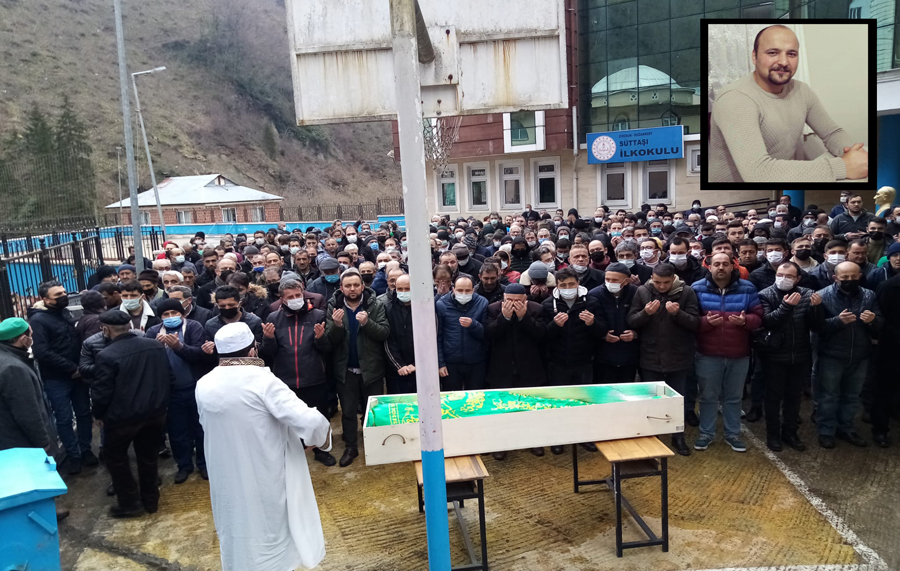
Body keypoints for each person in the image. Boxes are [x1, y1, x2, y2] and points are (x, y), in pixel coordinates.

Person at [196, 322, 332, 571]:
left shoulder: (203, 384)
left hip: (225, 474)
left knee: (236, 527)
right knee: (270, 529)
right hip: (264, 471)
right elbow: (310, 421)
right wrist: (320, 439)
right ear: (252, 351)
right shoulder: (261, 381)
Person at [709, 25, 865, 183]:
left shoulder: (801, 91)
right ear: (754, 57)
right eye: (772, 53)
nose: (783, 62)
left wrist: (853, 156)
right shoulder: (735, 98)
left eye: (791, 54)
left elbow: (832, 133)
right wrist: (842, 167)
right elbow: (758, 173)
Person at [92, 310, 174, 517]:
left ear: (105, 329)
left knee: (116, 458)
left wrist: (98, 414)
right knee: (148, 457)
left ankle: (129, 502)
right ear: (130, 327)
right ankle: (151, 500)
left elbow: (102, 391)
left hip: (122, 418)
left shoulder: (106, 355)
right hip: (155, 413)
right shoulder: (155, 345)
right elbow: (168, 376)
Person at [692, 253, 763, 453]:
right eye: (717, 264)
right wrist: (705, 323)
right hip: (707, 353)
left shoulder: (747, 288)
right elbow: (690, 320)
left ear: (733, 266)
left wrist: (745, 321)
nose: (721, 267)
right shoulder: (697, 288)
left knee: (733, 397)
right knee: (708, 396)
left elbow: (758, 317)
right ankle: (706, 433)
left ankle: (733, 434)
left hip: (739, 353)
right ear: (709, 266)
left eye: (725, 264)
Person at [260, 279, 335, 466]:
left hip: (313, 375)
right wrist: (268, 339)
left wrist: (320, 338)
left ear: (303, 293)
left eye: (298, 295)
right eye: (290, 297)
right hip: (286, 379)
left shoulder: (317, 315)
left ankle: (321, 449)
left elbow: (326, 348)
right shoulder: (273, 319)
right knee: (291, 418)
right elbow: (268, 353)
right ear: (282, 300)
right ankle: (296, 449)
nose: (295, 299)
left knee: (318, 415)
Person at [627, 263, 700, 456]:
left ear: (674, 278)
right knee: (652, 400)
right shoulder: (642, 291)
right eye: (657, 282)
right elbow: (632, 320)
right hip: (651, 355)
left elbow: (695, 322)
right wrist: (646, 313)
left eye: (666, 283)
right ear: (651, 277)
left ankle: (678, 437)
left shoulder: (687, 292)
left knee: (677, 400)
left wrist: (677, 313)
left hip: (678, 355)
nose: (661, 286)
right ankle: (653, 437)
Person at [29, 280, 96, 474]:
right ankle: (73, 455)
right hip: (57, 378)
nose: (64, 297)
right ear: (45, 299)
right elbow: (42, 351)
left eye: (63, 293)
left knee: (84, 413)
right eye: (57, 295)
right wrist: (71, 368)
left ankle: (85, 450)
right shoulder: (39, 320)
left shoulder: (63, 314)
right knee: (64, 418)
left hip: (77, 375)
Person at [324, 269, 389, 467]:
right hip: (346, 370)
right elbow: (329, 341)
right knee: (349, 411)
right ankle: (351, 446)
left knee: (373, 412)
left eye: (356, 285)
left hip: (372, 369)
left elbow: (384, 332)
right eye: (348, 285)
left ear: (362, 286)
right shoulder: (333, 306)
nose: (352, 289)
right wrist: (336, 325)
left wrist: (367, 323)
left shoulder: (374, 305)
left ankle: (375, 445)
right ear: (341, 288)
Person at [758, 262, 824, 452]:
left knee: (793, 397)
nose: (783, 279)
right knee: (773, 397)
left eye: (789, 276)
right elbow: (769, 322)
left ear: (797, 278)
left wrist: (817, 308)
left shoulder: (807, 294)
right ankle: (773, 434)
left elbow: (816, 326)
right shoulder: (766, 294)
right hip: (775, 355)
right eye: (780, 274)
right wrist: (786, 306)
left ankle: (790, 432)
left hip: (800, 354)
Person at [816, 261, 882, 449]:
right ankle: (826, 430)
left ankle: (846, 428)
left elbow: (880, 323)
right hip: (832, 354)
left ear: (860, 276)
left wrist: (873, 321)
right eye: (845, 278)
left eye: (854, 277)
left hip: (860, 354)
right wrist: (837, 321)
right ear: (835, 278)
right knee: (829, 395)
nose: (850, 280)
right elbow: (816, 327)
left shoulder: (869, 295)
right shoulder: (823, 296)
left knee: (852, 396)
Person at [146, 299, 210, 484]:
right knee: (177, 432)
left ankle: (204, 464)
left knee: (200, 429)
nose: (170, 317)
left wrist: (178, 347)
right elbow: (149, 360)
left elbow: (199, 354)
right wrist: (157, 348)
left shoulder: (194, 327)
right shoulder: (154, 332)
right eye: (165, 315)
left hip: (195, 387)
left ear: (182, 314)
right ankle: (183, 466)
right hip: (171, 391)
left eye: (174, 313)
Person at [541, 268, 602, 454]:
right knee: (558, 403)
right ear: (557, 286)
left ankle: (583, 436)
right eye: (563, 285)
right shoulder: (547, 304)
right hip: (557, 362)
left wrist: (593, 323)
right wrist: (555, 325)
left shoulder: (591, 302)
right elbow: (542, 336)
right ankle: (558, 438)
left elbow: (601, 332)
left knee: (582, 401)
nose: (568, 288)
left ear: (578, 284)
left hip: (583, 361)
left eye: (571, 284)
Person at [485, 283, 547, 460]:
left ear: (525, 300)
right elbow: (490, 333)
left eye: (517, 301)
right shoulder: (493, 309)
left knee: (529, 407)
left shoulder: (536, 309)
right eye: (509, 300)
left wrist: (523, 317)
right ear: (503, 298)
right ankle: (502, 443)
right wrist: (504, 318)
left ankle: (532, 441)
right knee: (502, 407)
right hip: (501, 366)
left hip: (528, 365)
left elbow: (541, 334)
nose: (513, 304)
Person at [589, 263, 640, 384]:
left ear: (626, 281)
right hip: (603, 356)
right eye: (607, 279)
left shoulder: (636, 293)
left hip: (629, 355)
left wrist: (636, 334)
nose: (610, 282)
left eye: (615, 280)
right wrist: (602, 335)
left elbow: (645, 321)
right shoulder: (594, 295)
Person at [436, 276, 489, 392]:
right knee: (452, 398)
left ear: (473, 290)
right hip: (451, 362)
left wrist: (473, 325)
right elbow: (438, 336)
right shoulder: (441, 305)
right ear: (453, 289)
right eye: (460, 291)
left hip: (476, 361)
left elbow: (487, 334)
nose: (464, 294)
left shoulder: (482, 303)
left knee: (476, 397)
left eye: (467, 291)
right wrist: (440, 363)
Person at [871, 266, 900, 447]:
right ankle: (880, 429)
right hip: (892, 348)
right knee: (884, 390)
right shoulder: (888, 287)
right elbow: (881, 320)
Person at [383, 274, 418, 395]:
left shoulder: (425, 308)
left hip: (420, 369)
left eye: (407, 289)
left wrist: (416, 363)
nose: (403, 292)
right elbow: (388, 340)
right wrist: (399, 365)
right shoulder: (388, 309)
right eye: (400, 289)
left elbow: (430, 339)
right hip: (396, 370)